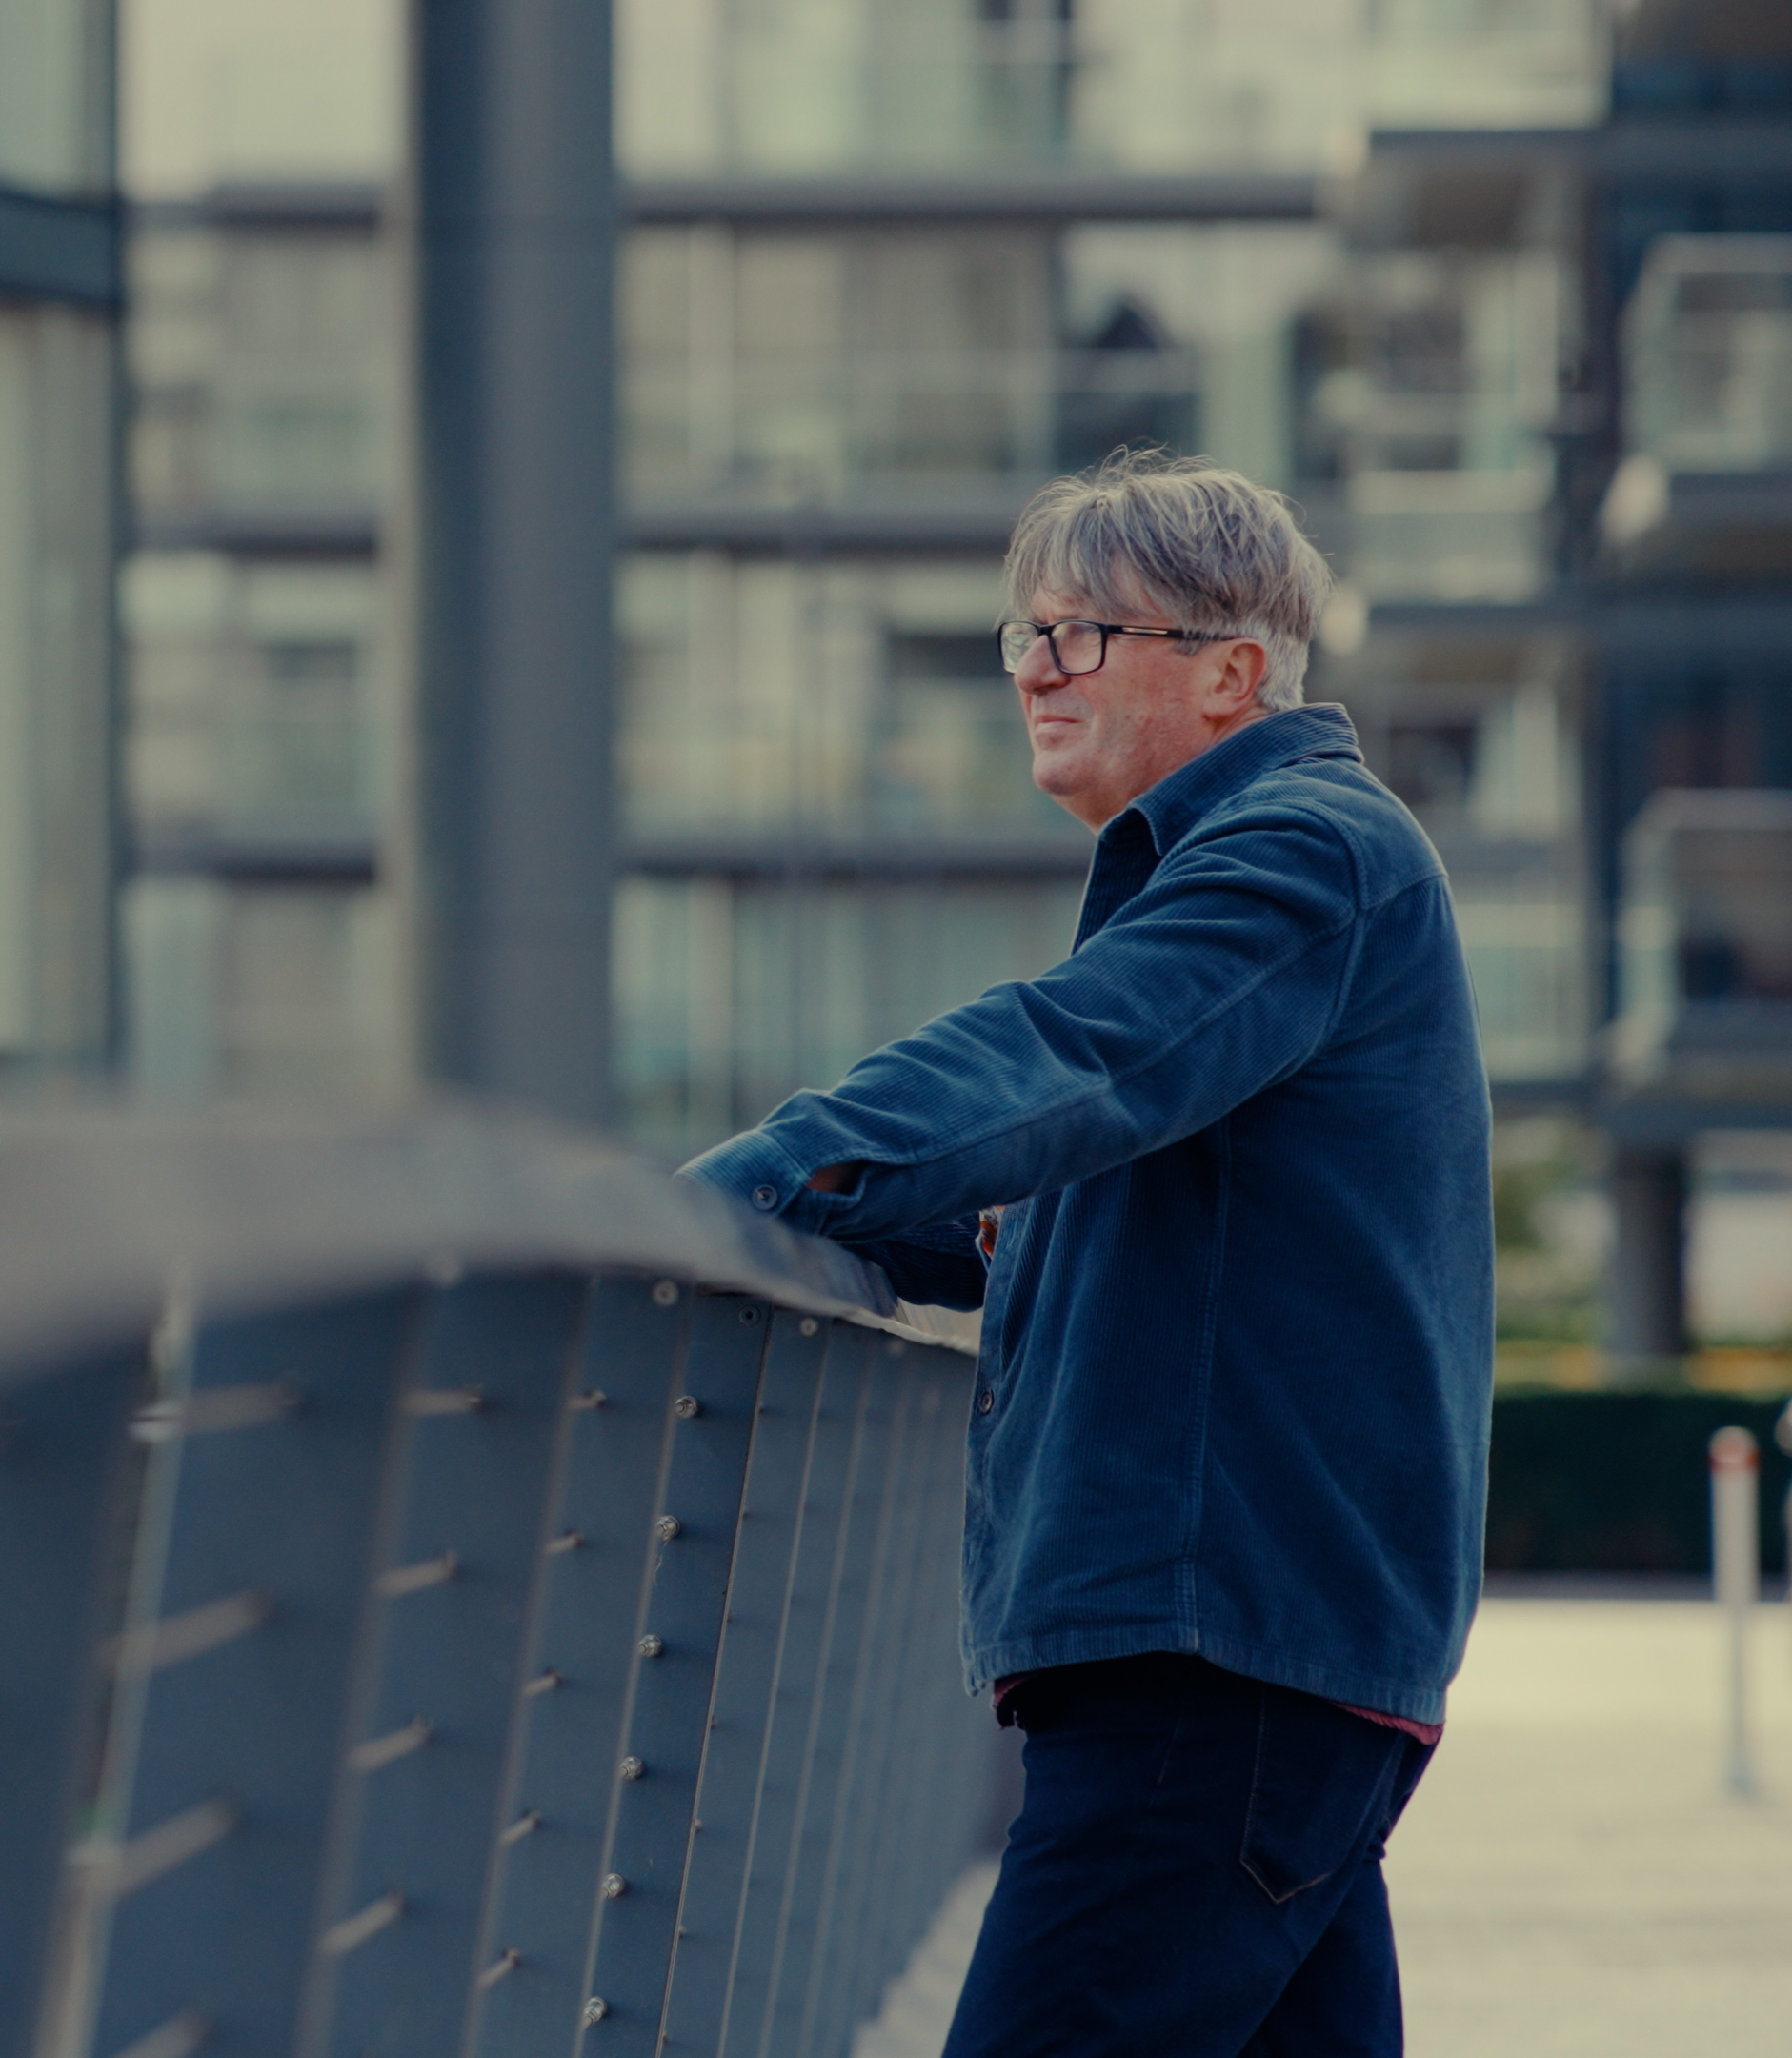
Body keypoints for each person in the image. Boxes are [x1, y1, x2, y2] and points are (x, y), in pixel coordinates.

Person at [679, 449, 1492, 2055]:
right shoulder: (1243, 875)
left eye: (1082, 636)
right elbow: (1055, 1203)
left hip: (1215, 1657)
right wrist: (871, 1217)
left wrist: (736, 1185)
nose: (1036, 672)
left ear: (1234, 671)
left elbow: (1064, 1057)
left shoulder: (1300, 855)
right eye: (1024, 638)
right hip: (1262, 1652)